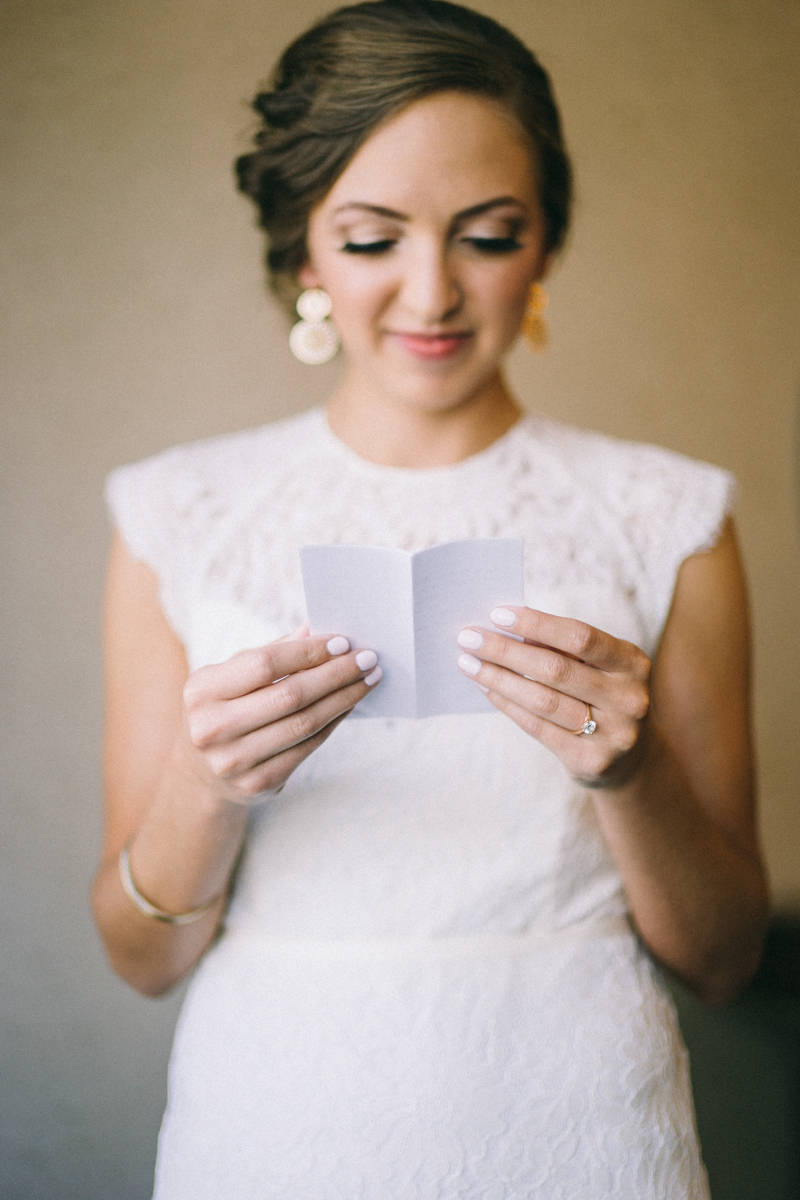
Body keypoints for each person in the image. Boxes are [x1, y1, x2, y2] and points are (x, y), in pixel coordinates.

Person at [92, 1, 769, 1196]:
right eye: (369, 239)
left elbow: (721, 963)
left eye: (486, 234)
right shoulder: (178, 515)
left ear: (545, 240)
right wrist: (205, 784)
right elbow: (141, 959)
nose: (431, 293)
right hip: (276, 1117)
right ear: (302, 251)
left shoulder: (671, 518)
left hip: (582, 1120)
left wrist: (629, 768)